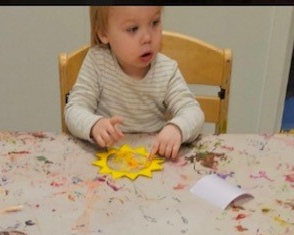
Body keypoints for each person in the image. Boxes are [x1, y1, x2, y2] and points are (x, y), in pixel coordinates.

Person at [64, 6, 204, 160]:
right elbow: (74, 110)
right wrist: (94, 125)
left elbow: (193, 112)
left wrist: (177, 128)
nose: (147, 38)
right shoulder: (97, 62)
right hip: (107, 159)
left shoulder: (167, 71)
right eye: (133, 29)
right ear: (104, 33)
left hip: (152, 159)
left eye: (154, 23)